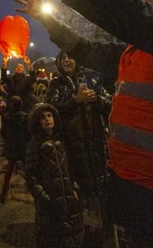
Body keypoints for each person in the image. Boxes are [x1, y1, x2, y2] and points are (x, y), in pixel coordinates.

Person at [0, 0, 153, 247]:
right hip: (128, 187)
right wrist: (45, 19)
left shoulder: (140, 30)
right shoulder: (128, 54)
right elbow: (82, 48)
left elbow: (119, 10)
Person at [48, 50, 112, 246]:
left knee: (100, 189)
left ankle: (104, 231)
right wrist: (75, 100)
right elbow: (51, 109)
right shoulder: (56, 83)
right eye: (62, 58)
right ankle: (81, 233)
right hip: (70, 146)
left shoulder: (91, 78)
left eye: (70, 56)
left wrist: (97, 99)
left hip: (96, 144)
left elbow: (110, 104)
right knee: (76, 190)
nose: (67, 60)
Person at [25, 102, 84, 248]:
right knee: (52, 238)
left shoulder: (61, 141)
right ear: (37, 123)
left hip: (69, 200)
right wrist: (44, 198)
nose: (47, 119)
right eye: (42, 117)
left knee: (72, 236)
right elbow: (31, 175)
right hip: (50, 203)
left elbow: (71, 168)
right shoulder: (35, 144)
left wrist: (75, 189)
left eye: (49, 115)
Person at [0, 95, 29, 202]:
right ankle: (33, 189)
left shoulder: (6, 117)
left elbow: (3, 132)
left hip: (11, 146)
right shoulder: (25, 117)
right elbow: (28, 132)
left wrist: (7, 140)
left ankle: (5, 191)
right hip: (22, 146)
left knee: (10, 169)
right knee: (27, 169)